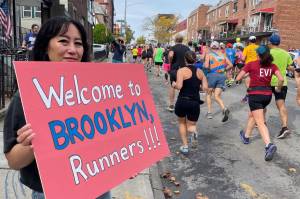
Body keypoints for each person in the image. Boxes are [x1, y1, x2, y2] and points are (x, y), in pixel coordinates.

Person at [3, 16, 111, 199]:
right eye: (63, 41)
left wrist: (124, 161)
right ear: (46, 46)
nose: (72, 50)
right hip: (52, 192)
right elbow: (14, 161)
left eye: (78, 43)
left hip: (97, 186)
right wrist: (33, 142)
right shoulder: (26, 97)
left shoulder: (96, 91)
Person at [236, 45, 284, 161]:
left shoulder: (251, 64)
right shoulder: (273, 66)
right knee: (254, 115)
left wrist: (247, 74)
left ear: (258, 55)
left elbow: (238, 78)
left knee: (260, 122)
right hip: (267, 95)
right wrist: (278, 88)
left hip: (255, 95)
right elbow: (281, 79)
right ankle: (246, 136)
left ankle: (269, 145)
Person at [171, 51, 208, 154]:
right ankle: (194, 132)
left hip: (183, 100)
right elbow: (205, 88)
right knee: (191, 125)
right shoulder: (200, 72)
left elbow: (179, 86)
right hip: (195, 103)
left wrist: (173, 84)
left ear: (185, 60)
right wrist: (197, 85)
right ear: (195, 59)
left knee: (182, 123)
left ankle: (185, 146)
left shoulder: (181, 71)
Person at [268, 33, 294, 138]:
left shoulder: (268, 53)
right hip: (282, 83)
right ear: (279, 42)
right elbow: (290, 67)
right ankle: (284, 127)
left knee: (262, 103)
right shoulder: (286, 54)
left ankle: (259, 122)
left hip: (268, 82)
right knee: (281, 105)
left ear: (270, 42)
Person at [204, 41, 232, 122]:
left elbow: (206, 66)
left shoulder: (209, 54)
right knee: (216, 96)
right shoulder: (223, 55)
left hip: (212, 75)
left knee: (209, 94)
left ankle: (209, 113)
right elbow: (231, 65)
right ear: (218, 47)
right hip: (222, 76)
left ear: (211, 47)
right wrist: (224, 70)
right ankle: (224, 109)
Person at [167, 34, 190, 112]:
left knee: (172, 86)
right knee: (184, 87)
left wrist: (170, 61)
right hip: (184, 69)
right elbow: (191, 57)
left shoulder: (173, 48)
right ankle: (184, 104)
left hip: (175, 69)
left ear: (175, 40)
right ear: (182, 40)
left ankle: (171, 105)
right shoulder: (187, 48)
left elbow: (170, 55)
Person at [241, 36, 259, 103]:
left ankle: (249, 95)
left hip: (248, 66)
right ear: (255, 41)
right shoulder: (258, 47)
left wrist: (243, 61)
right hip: (257, 66)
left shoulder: (246, 48)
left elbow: (243, 58)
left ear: (249, 41)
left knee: (247, 81)